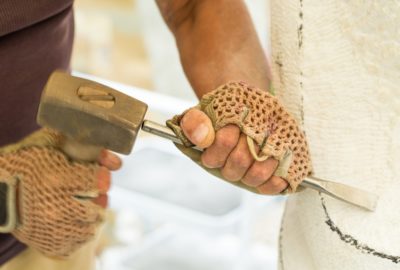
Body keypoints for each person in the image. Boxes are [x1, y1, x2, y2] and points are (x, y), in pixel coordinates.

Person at [2, 1, 399, 270]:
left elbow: (192, 5)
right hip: (28, 197)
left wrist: (241, 104)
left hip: (54, 202)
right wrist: (8, 196)